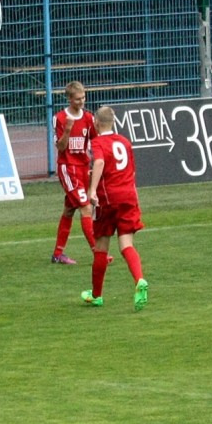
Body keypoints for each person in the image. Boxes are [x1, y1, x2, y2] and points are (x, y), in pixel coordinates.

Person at [80, 106, 147, 311]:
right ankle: (139, 279)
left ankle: (97, 295)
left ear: (96, 123)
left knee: (101, 247)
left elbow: (99, 162)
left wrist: (92, 190)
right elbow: (132, 172)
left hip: (107, 199)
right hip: (129, 197)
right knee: (126, 244)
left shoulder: (97, 143)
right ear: (114, 122)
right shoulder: (125, 142)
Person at [51, 81, 99, 265]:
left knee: (69, 209)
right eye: (78, 99)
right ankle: (99, 253)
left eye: (83, 97)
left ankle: (57, 254)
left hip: (83, 168)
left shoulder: (88, 118)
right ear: (69, 99)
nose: (82, 101)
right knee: (86, 207)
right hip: (68, 168)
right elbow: (61, 147)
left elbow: (95, 142)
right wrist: (68, 130)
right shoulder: (60, 118)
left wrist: (96, 163)